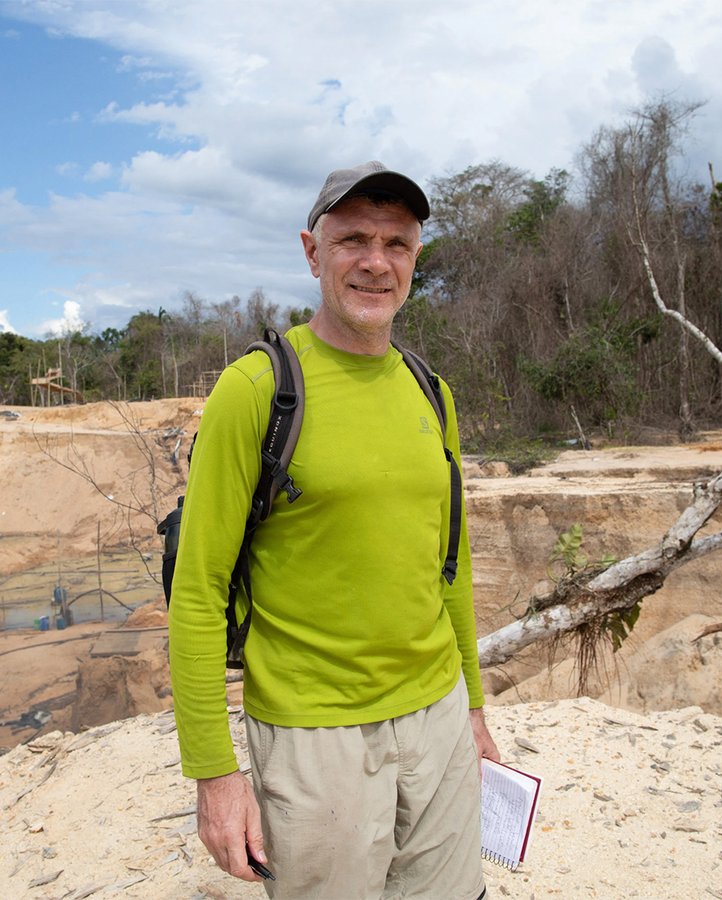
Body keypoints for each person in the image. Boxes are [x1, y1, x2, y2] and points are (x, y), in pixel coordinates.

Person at [168, 161, 501, 897]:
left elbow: (452, 566)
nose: (376, 262)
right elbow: (197, 592)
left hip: (437, 717)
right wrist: (216, 776)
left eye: (397, 243)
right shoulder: (256, 390)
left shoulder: (432, 393)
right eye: (352, 239)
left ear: (416, 259)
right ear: (312, 252)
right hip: (313, 736)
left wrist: (472, 710)